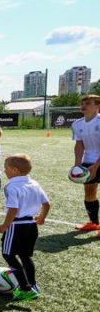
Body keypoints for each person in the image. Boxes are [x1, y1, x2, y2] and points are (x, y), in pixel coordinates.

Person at [0, 154, 50, 301]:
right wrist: (41, 217)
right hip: (31, 226)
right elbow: (46, 204)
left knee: (8, 255)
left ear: (15, 170)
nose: (4, 170)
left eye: (6, 167)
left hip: (16, 226)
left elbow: (13, 209)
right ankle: (33, 285)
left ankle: (26, 288)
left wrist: (4, 226)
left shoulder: (11, 186)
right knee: (25, 256)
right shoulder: (34, 183)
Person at [72, 94, 100, 232]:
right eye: (83, 103)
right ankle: (94, 223)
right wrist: (77, 164)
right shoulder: (77, 124)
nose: (84, 105)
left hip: (97, 162)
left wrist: (96, 165)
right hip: (88, 161)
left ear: (97, 106)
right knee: (89, 192)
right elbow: (79, 144)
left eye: (88, 103)